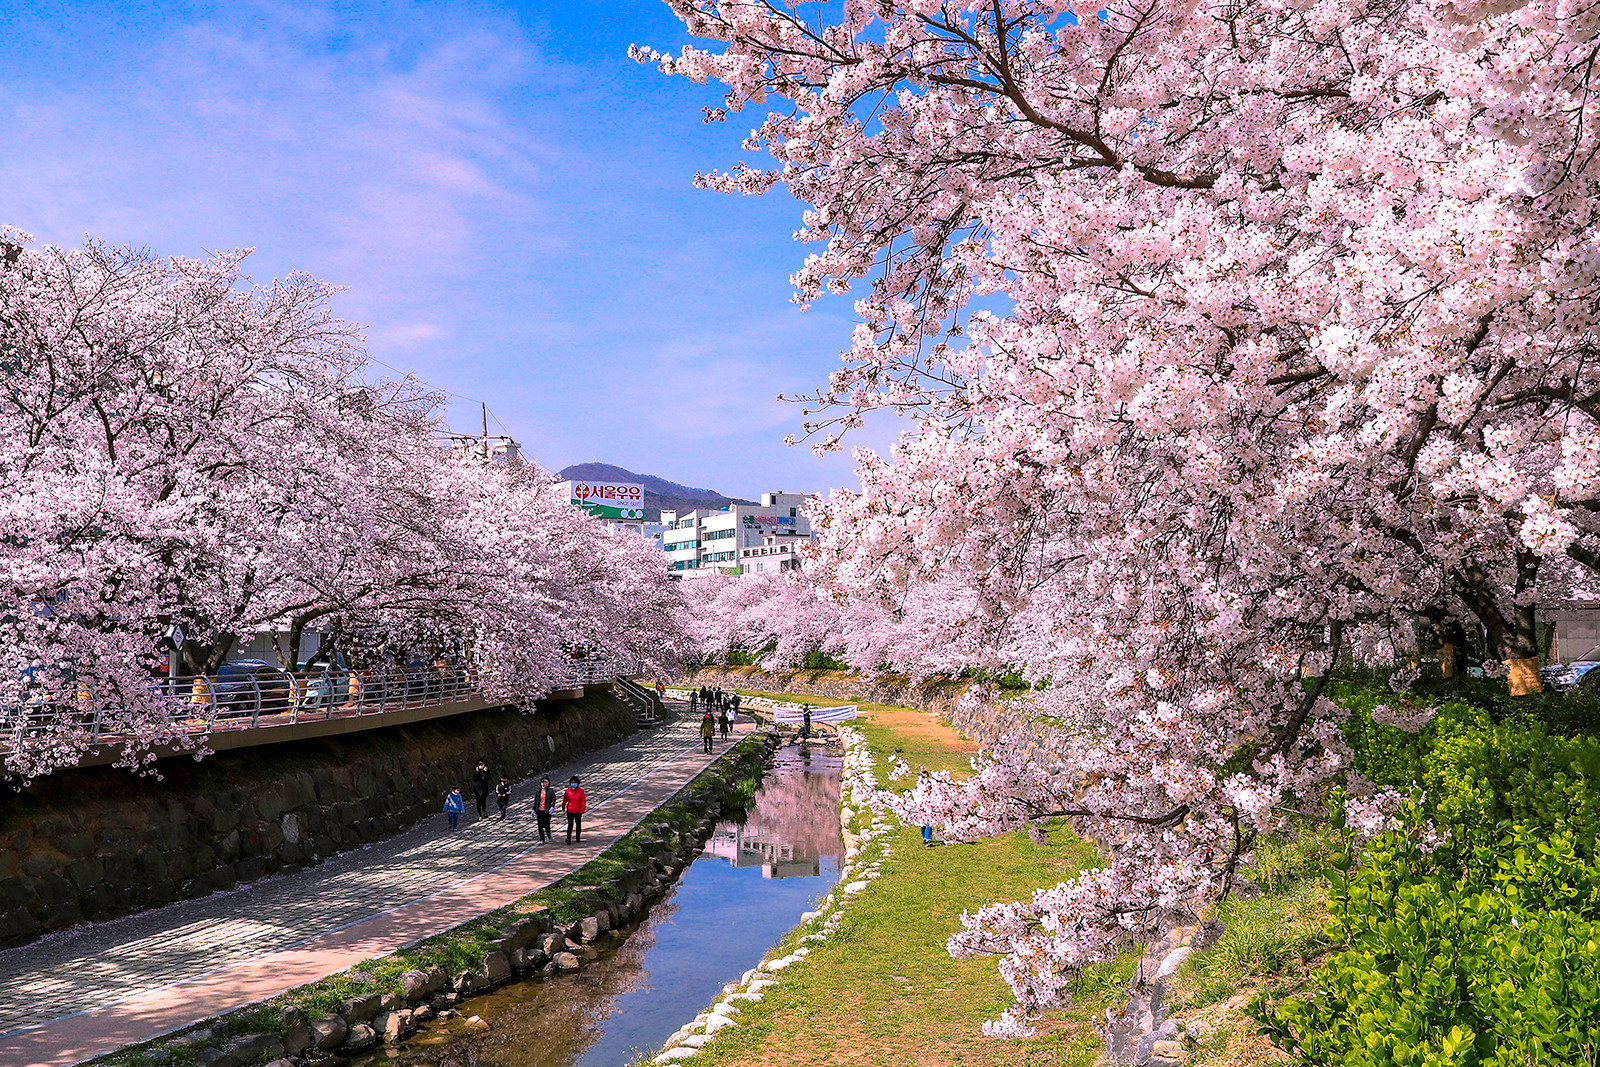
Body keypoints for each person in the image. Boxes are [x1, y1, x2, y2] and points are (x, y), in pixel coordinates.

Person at [563, 776, 587, 843]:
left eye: (575, 782)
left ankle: (577, 837)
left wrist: (582, 808)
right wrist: (563, 806)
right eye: (572, 782)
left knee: (578, 824)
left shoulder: (581, 791)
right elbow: (565, 799)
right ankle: (568, 838)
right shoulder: (567, 791)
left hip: (578, 810)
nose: (573, 784)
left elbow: (583, 800)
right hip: (570, 810)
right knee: (570, 824)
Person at [532, 775, 556, 843]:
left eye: (545, 782)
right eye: (542, 782)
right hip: (539, 810)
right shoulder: (538, 791)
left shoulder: (550, 791)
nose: (543, 784)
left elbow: (553, 800)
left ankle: (549, 835)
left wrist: (552, 807)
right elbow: (536, 801)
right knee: (540, 825)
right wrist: (534, 809)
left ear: (548, 783)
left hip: (546, 811)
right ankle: (542, 838)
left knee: (546, 825)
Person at [919, 771, 934, 845]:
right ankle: (924, 837)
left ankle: (927, 838)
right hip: (921, 805)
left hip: (929, 805)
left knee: (928, 822)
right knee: (922, 823)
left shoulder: (931, 783)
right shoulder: (919, 785)